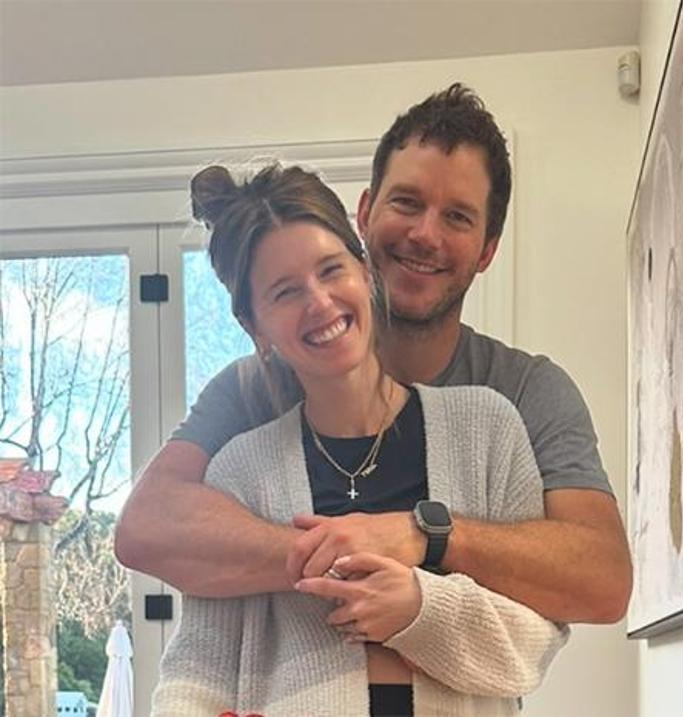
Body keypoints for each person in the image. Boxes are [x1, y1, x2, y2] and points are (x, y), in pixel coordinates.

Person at [116, 84, 632, 625]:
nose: (425, 234)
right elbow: (146, 528)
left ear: (487, 250)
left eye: (458, 217)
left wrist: (423, 535)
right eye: (407, 202)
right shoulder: (251, 390)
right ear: (365, 214)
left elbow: (602, 583)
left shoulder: (522, 392)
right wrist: (336, 554)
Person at [151, 163, 568, 716]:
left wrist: (422, 608)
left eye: (331, 270)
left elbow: (535, 645)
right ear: (256, 328)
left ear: (365, 271)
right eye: (285, 292)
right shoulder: (240, 472)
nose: (320, 303)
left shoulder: (487, 429)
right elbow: (196, 671)